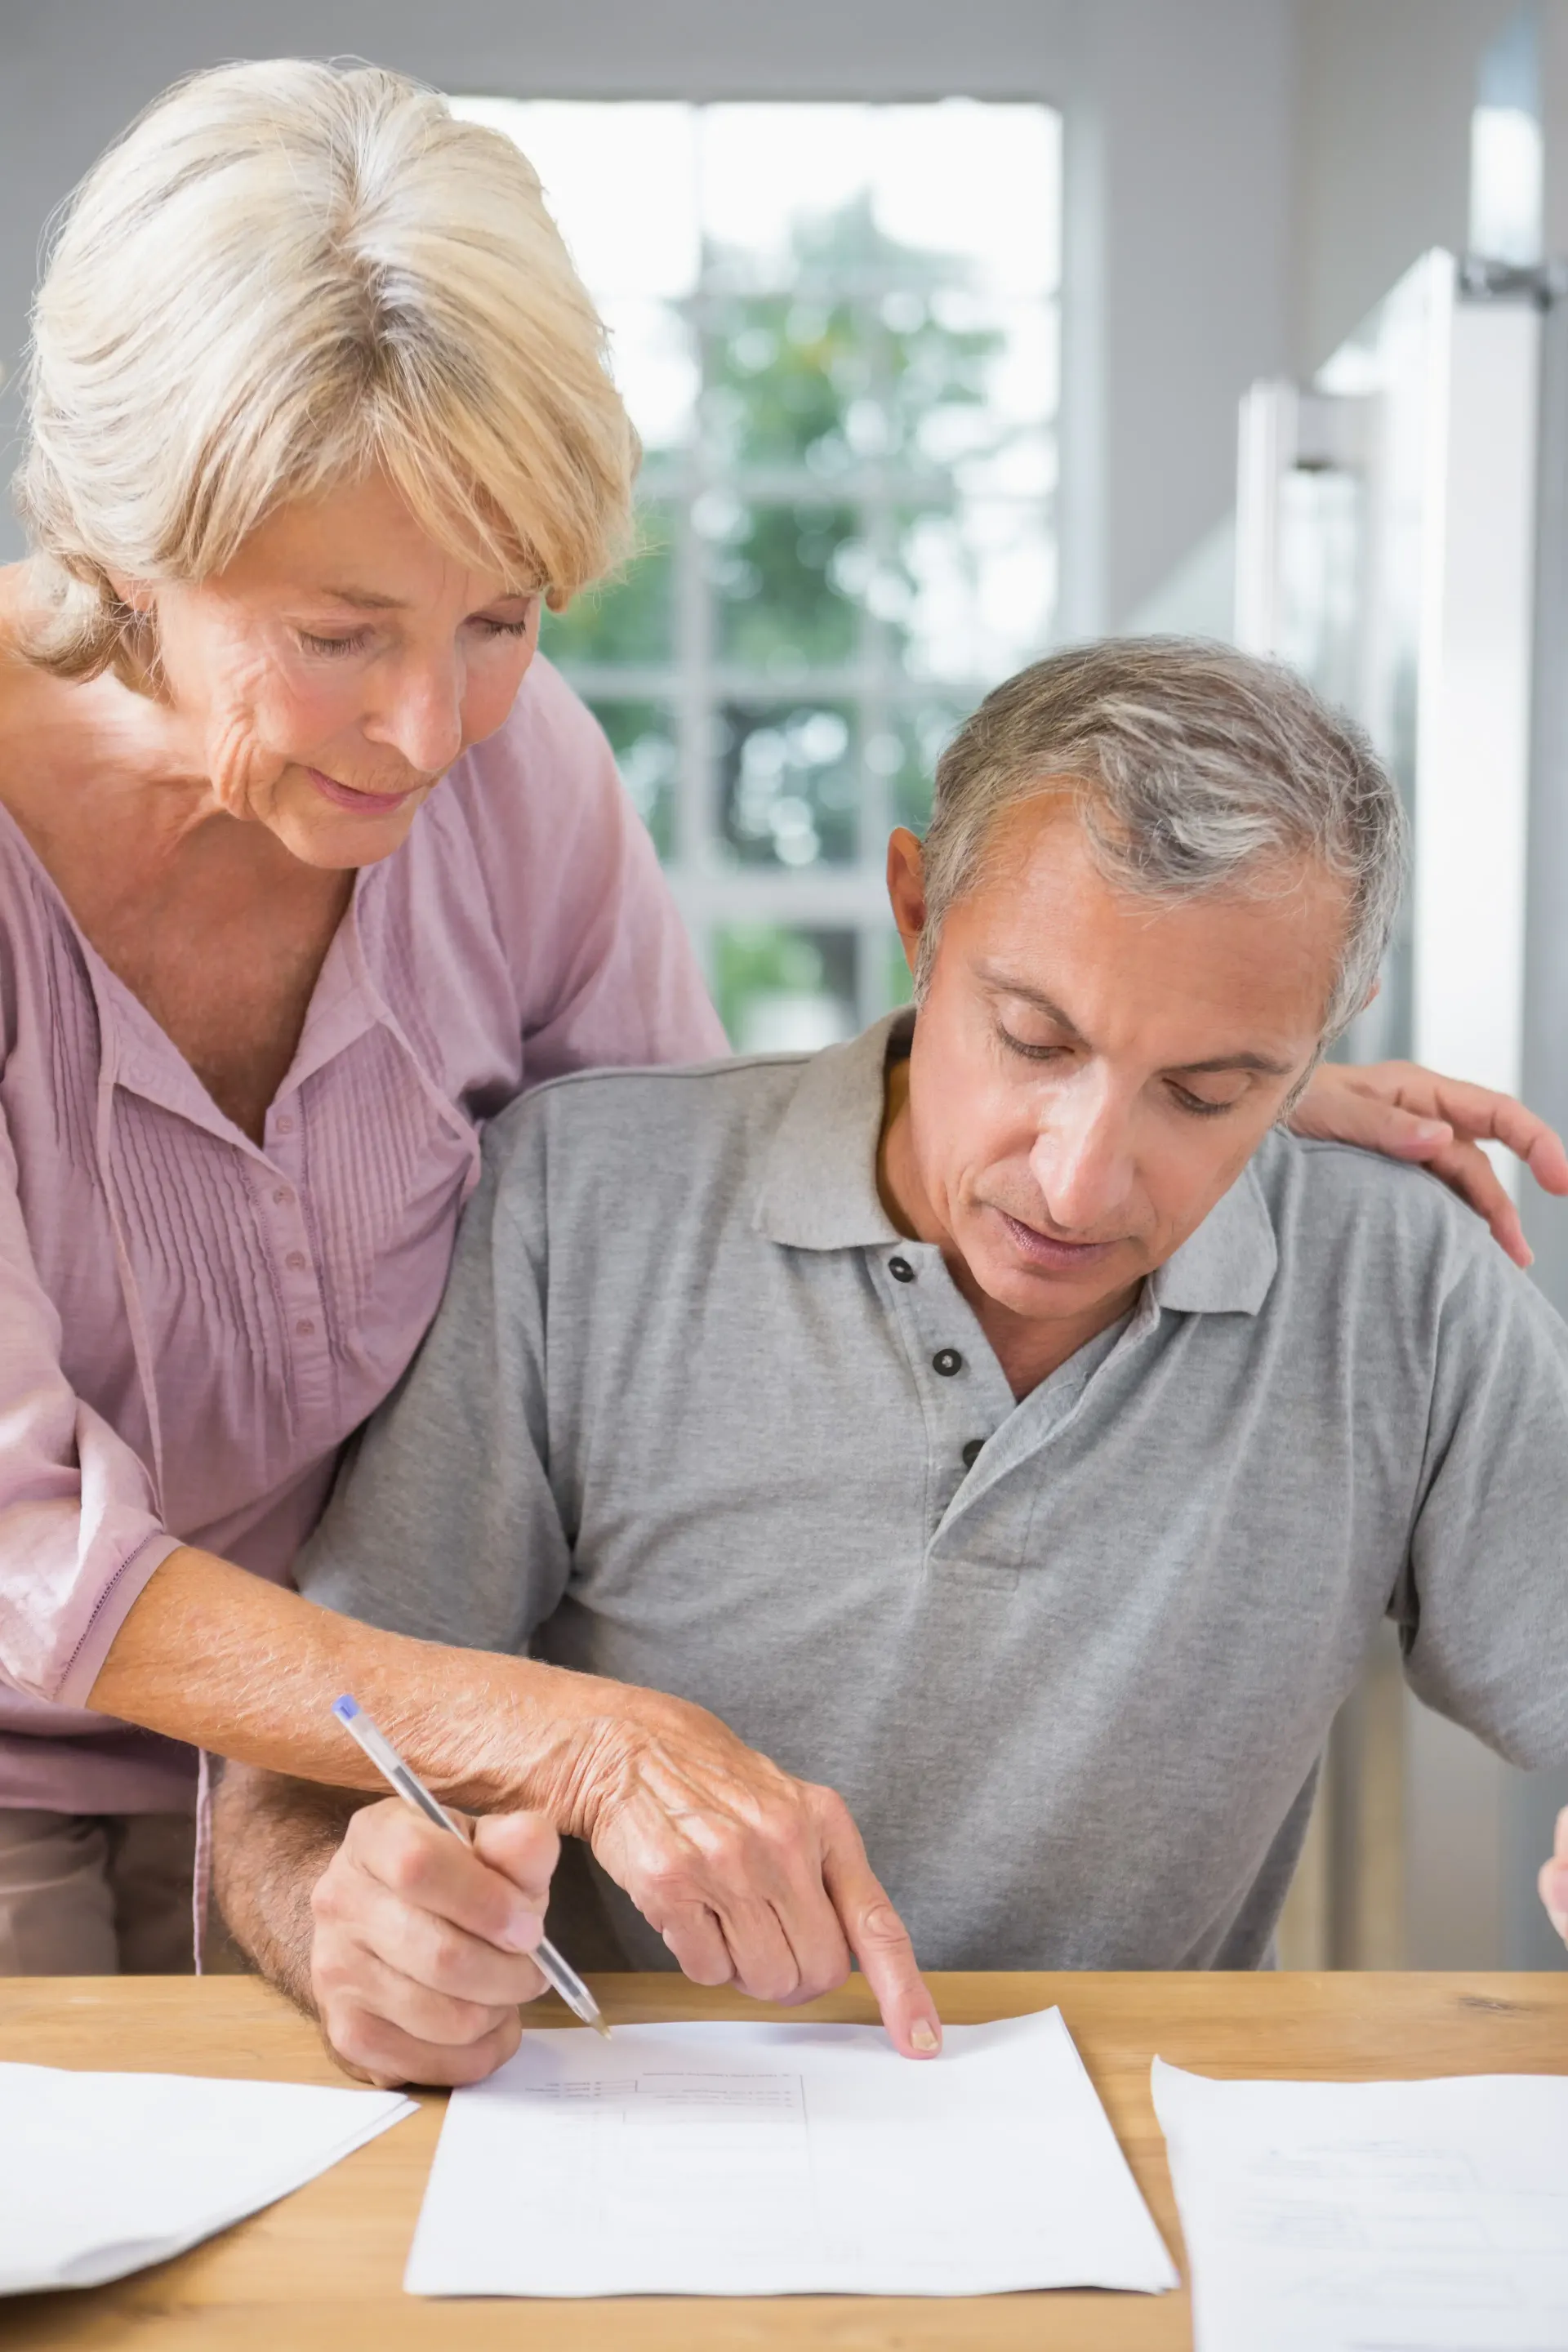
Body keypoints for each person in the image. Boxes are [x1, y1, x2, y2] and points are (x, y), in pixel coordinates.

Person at [0, 59, 1552, 1981]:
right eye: (342, 635)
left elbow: (683, 1190)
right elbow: (21, 1546)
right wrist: (561, 1734)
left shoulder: (509, 777)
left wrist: (1198, 1101)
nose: (435, 728)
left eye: (501, 619)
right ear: (129, 536)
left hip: (344, 1764)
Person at [215, 639, 1568, 2090]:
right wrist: (341, 1922)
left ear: (1316, 1047)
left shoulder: (1405, 1288)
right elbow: (302, 1765)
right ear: (918, 912)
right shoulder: (580, 1204)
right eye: (1035, 1038)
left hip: (1143, 2171)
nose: (1081, 1180)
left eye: (1208, 1090)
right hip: (627, 2139)